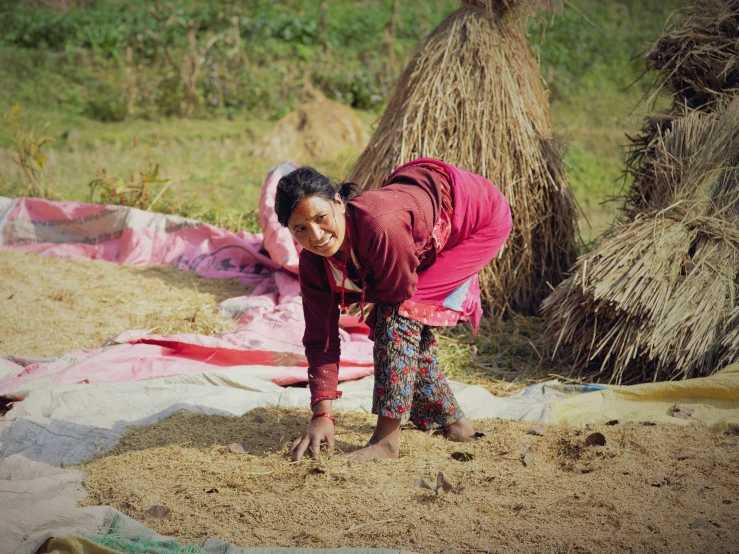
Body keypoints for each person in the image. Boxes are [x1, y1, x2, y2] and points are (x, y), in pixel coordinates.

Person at [274, 158, 512, 461]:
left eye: (321, 218)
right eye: (301, 229)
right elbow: (320, 336)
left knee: (397, 316)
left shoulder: (379, 225)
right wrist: (322, 414)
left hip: (477, 219)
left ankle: (386, 441)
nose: (316, 235)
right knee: (398, 319)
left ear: (337, 202)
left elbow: (398, 301)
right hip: (420, 198)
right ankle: (454, 423)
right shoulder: (313, 263)